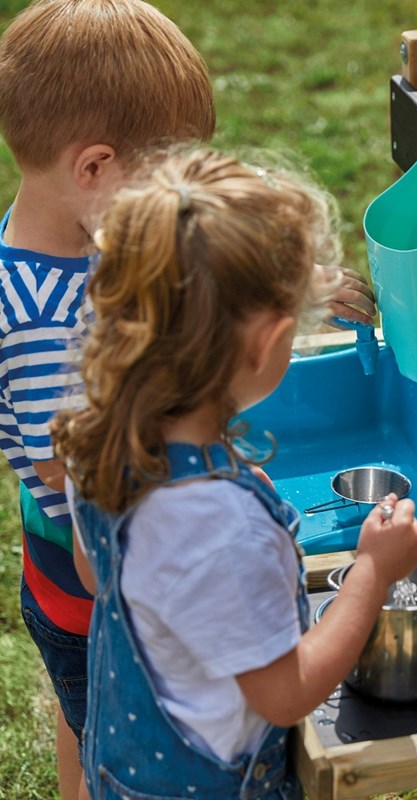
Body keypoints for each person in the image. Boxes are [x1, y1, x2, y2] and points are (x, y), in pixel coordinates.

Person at [0, 2, 375, 797]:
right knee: (93, 703)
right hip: (83, 587)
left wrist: (299, 290)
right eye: (162, 168)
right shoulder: (40, 320)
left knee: (102, 720)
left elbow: (183, 285)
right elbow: (68, 466)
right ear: (94, 167)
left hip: (98, 567)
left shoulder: (101, 248)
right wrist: (372, 574)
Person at [51, 145, 417, 800]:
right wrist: (371, 569)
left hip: (124, 771)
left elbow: (95, 571)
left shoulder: (101, 432)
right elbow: (287, 694)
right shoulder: (218, 526)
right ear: (268, 343)